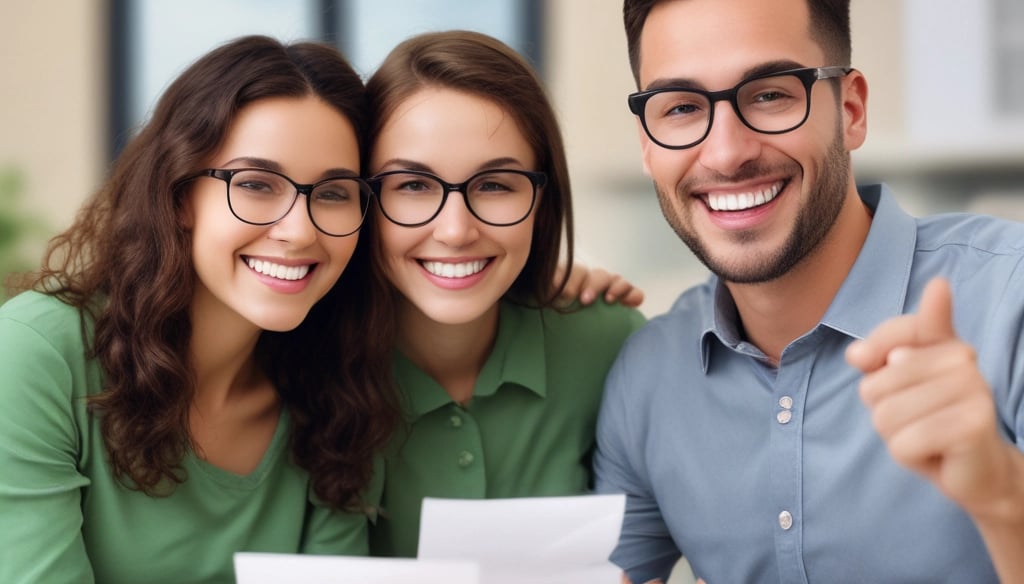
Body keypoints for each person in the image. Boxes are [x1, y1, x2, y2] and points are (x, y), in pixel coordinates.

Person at [593, 0, 1024, 582]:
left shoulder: (1009, 298)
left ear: (850, 109)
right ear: (647, 145)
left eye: (770, 94)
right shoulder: (645, 378)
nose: (726, 153)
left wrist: (1003, 497)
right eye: (682, 108)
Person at [0, 35, 400, 583]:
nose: (300, 230)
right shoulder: (34, 356)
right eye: (258, 184)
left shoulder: (339, 390)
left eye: (333, 193)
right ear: (179, 192)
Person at [360, 30, 648, 558]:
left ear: (543, 200)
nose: (454, 230)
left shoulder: (609, 343)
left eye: (494, 185)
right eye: (413, 186)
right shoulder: (301, 367)